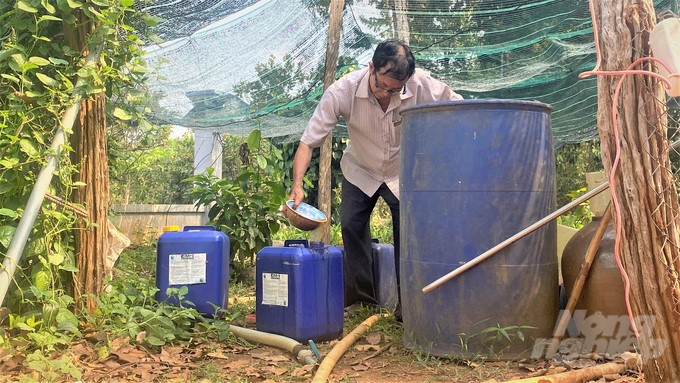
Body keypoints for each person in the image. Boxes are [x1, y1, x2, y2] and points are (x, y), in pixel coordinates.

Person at [288, 39, 462, 321]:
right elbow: (309, 142)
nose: (387, 94)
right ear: (371, 67)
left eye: (395, 90)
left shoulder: (422, 85)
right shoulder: (342, 91)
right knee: (351, 226)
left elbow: (460, 109)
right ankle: (362, 300)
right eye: (382, 85)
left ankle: (408, 307)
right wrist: (297, 186)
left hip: (402, 172)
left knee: (407, 234)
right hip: (361, 169)